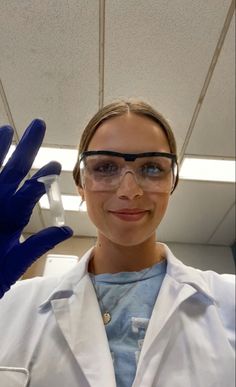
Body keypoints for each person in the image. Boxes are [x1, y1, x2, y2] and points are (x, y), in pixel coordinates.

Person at [0, 100, 235, 387]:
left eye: (151, 167)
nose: (129, 191)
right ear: (80, 184)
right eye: (106, 167)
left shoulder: (229, 301)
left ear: (171, 183)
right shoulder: (10, 305)